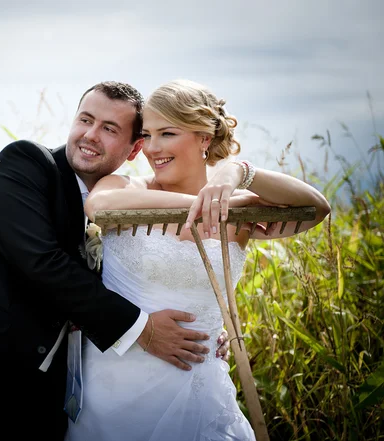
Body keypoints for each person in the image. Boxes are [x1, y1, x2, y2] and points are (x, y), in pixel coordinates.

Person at [0, 81, 234, 441]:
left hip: (39, 399)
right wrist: (144, 331)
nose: (90, 135)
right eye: (85, 120)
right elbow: (44, 264)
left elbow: (118, 284)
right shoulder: (26, 164)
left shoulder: (118, 208)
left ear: (135, 150)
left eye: (109, 129)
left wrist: (203, 329)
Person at [65, 79, 331, 441]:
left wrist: (238, 173)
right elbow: (98, 206)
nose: (152, 148)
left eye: (167, 133)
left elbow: (317, 208)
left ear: (204, 137)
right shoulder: (128, 187)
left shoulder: (236, 211)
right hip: (112, 390)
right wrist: (212, 206)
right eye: (147, 134)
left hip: (198, 389)